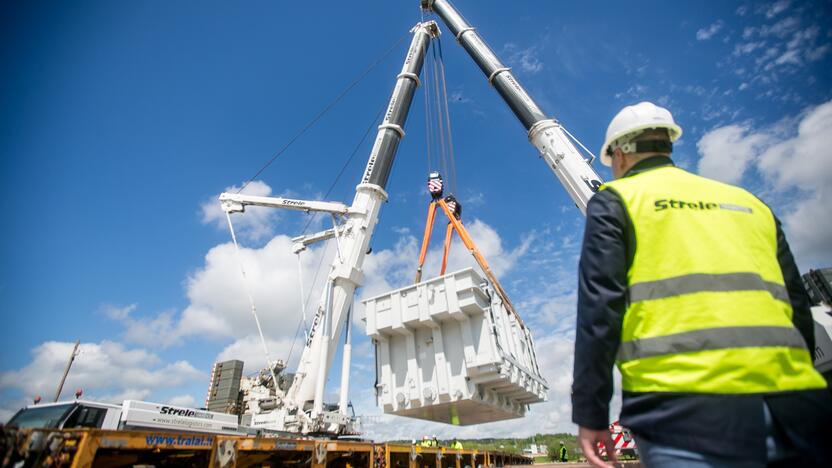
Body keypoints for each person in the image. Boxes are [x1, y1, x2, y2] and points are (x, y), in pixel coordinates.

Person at [572, 101, 832, 467]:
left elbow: (600, 313)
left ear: (620, 154)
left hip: (682, 415)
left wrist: (591, 411)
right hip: (797, 408)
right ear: (667, 144)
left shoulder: (617, 202)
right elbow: (798, 309)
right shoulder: (750, 203)